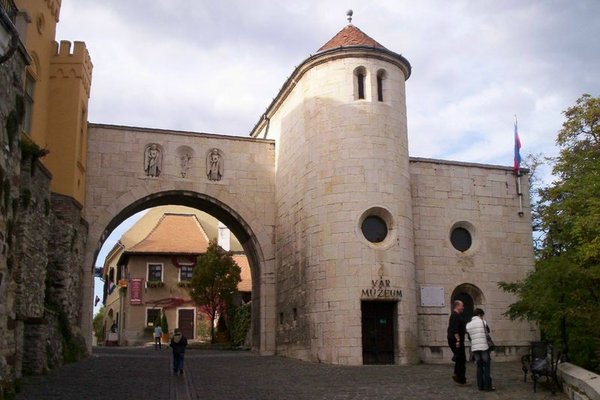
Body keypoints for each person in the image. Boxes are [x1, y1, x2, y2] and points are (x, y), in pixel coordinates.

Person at [466, 308, 495, 391]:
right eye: (482, 315)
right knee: (486, 366)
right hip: (484, 347)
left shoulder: (468, 325)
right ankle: (487, 386)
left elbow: (469, 337)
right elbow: (488, 331)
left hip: (475, 348)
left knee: (479, 366)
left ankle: (480, 386)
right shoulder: (483, 322)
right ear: (479, 315)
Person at [447, 300, 467, 385]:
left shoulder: (457, 315)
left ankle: (458, 375)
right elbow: (454, 329)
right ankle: (460, 378)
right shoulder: (455, 316)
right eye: (462, 305)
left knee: (460, 358)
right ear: (457, 306)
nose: (463, 307)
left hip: (456, 340)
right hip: (456, 341)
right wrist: (458, 340)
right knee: (461, 359)